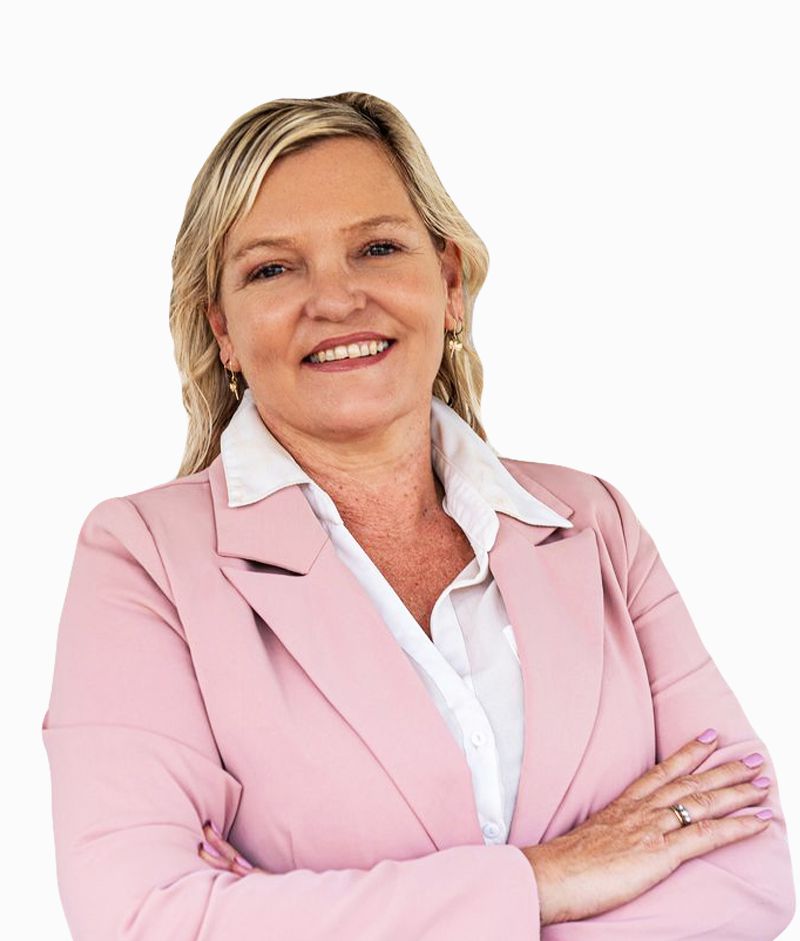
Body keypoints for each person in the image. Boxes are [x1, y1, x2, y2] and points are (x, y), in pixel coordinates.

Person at [41, 92, 795, 940]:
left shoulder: (592, 523)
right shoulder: (143, 559)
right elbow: (144, 918)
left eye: (377, 248)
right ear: (223, 328)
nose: (336, 300)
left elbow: (750, 861)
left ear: (449, 283)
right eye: (273, 269)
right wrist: (550, 877)